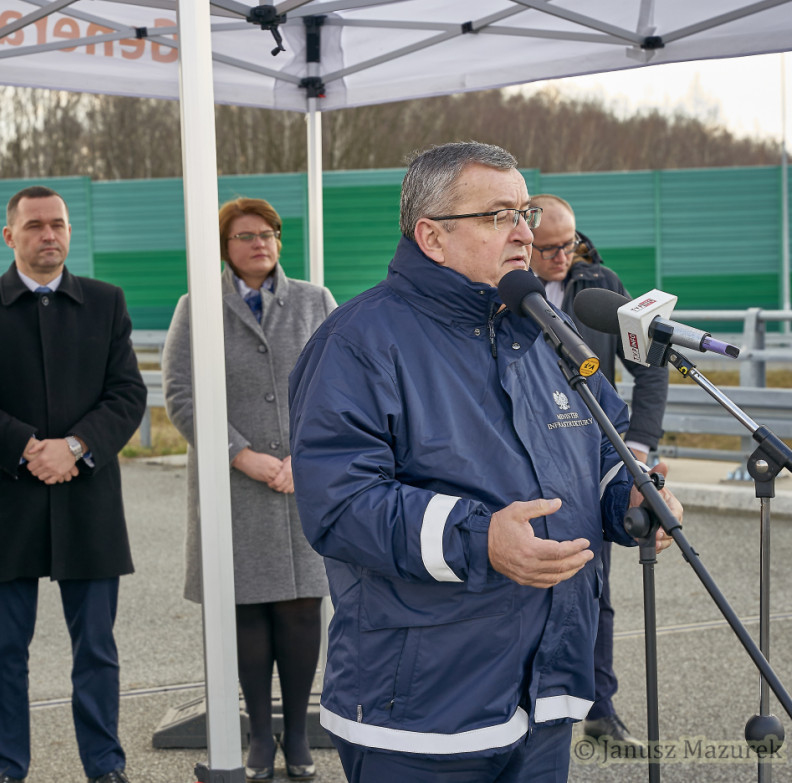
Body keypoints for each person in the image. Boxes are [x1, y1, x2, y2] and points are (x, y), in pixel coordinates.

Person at [288, 142, 682, 783]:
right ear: (432, 237)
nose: (525, 233)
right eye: (499, 215)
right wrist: (480, 537)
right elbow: (339, 505)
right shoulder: (358, 342)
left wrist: (631, 497)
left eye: (523, 211)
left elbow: (600, 447)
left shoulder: (543, 328)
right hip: (420, 710)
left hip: (545, 695)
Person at [0, 186, 147, 783]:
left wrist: (77, 448)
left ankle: (105, 765)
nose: (49, 235)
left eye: (57, 224)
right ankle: (7, 767)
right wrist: (28, 448)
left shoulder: (105, 302)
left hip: (88, 503)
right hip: (9, 502)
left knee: (96, 651)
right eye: (34, 225)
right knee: (4, 656)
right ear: (9, 236)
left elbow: (128, 393)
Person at [162, 197, 337, 781]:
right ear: (225, 245)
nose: (259, 243)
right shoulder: (198, 305)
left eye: (268, 233)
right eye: (245, 235)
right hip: (231, 488)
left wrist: (302, 458)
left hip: (301, 484)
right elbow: (182, 394)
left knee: (300, 609)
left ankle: (296, 737)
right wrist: (242, 455)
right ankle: (258, 735)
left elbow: (338, 385)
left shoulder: (315, 301)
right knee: (247, 612)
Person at [530, 193, 668, 748]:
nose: (562, 256)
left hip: (590, 460)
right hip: (520, 461)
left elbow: (649, 364)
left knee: (595, 589)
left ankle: (600, 709)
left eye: (570, 244)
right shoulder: (498, 287)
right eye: (548, 248)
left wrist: (637, 443)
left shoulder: (602, 286)